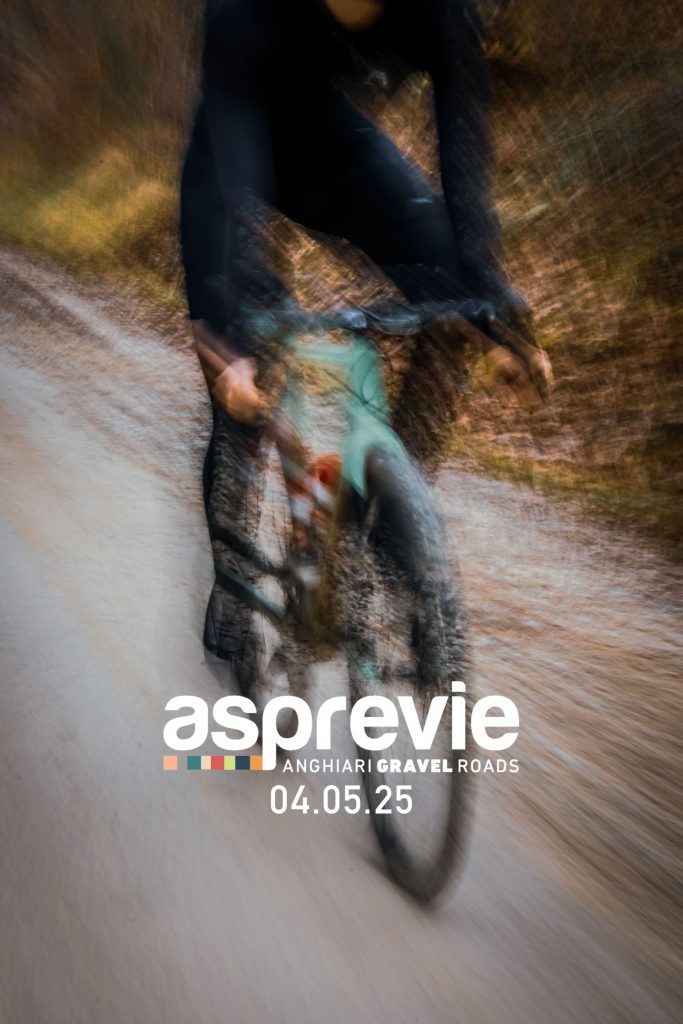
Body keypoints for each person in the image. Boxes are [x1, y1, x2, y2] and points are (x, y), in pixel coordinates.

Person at [180, 0, 552, 691]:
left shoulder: (442, 12)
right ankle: (233, 586)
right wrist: (235, 331)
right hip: (229, 163)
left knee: (458, 307)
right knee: (243, 382)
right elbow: (236, 187)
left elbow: (464, 162)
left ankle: (384, 526)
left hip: (333, 151)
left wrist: (495, 309)